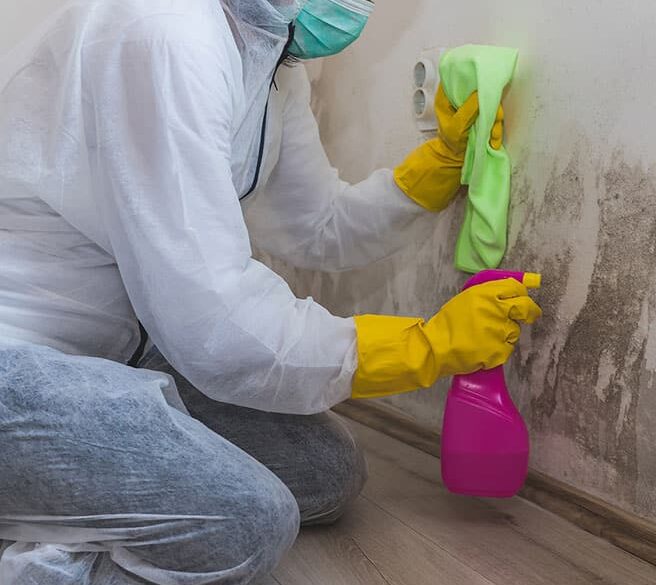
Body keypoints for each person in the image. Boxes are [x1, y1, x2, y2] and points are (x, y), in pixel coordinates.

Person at [0, 0, 541, 582]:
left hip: (113, 354)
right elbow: (212, 324)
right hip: (21, 356)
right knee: (243, 521)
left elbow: (316, 225)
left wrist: (431, 171)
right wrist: (418, 347)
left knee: (321, 472)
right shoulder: (163, 31)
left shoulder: (270, 61)